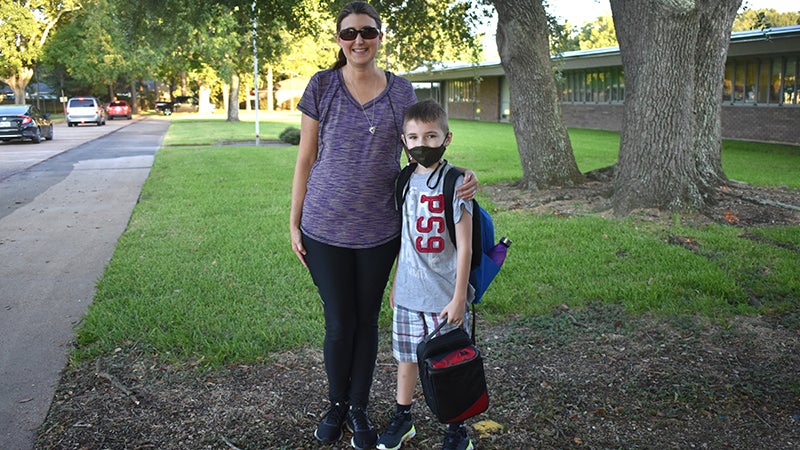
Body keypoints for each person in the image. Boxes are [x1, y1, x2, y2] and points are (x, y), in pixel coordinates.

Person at [289, 3, 477, 449]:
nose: (359, 40)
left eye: (367, 32)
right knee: (339, 323)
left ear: (379, 37)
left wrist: (463, 177)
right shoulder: (322, 85)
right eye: (349, 33)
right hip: (324, 226)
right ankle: (336, 404)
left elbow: (423, 144)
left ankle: (359, 408)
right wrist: (294, 222)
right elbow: (305, 157)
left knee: (367, 321)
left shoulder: (400, 91)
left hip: (379, 231)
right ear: (339, 39)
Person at [376, 99, 475, 450]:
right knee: (405, 358)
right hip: (407, 293)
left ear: (447, 138)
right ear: (404, 140)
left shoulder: (457, 183)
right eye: (414, 137)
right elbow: (404, 236)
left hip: (445, 295)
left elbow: (465, 246)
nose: (422, 144)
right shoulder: (404, 180)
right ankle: (403, 418)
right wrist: (395, 281)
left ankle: (456, 429)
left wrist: (460, 296)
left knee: (450, 365)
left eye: (431, 136)